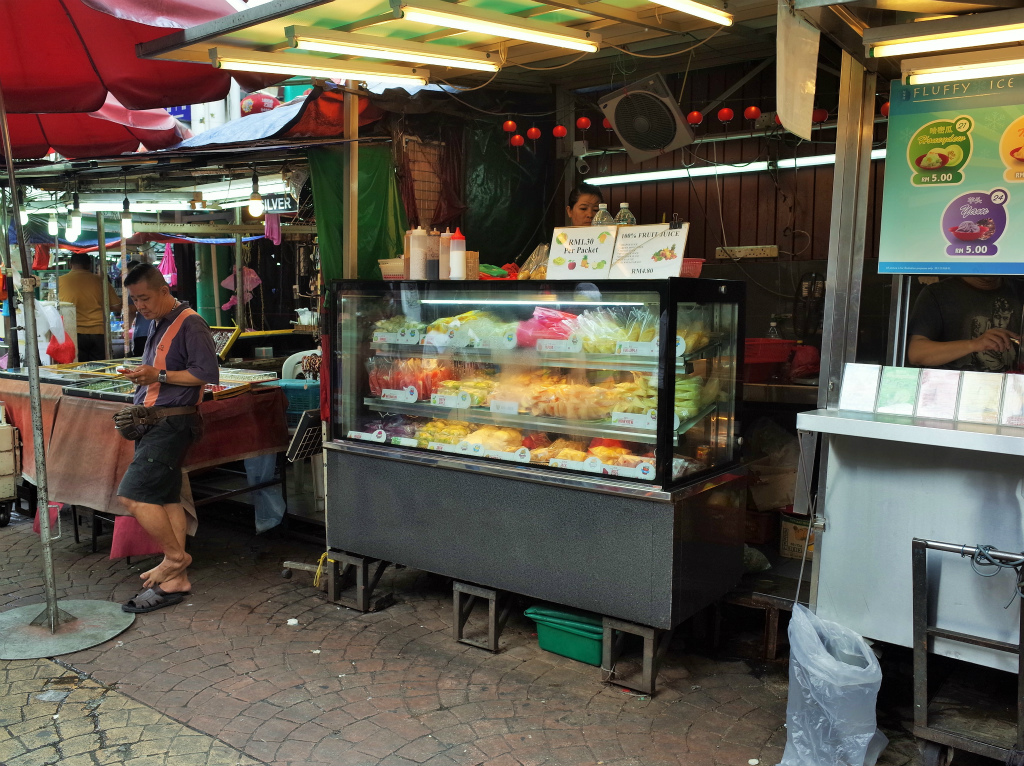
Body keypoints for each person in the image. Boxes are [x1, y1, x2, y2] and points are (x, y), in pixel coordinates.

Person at [117, 264, 219, 613]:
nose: (140, 306)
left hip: (172, 425)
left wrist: (157, 374)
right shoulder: (158, 321)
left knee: (134, 496)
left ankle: (175, 559)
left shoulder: (191, 322)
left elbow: (206, 373)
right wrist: (144, 376)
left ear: (164, 290)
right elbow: (164, 373)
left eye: (144, 298)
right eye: (134, 300)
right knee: (167, 497)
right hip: (155, 422)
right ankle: (177, 580)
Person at [907, 275, 1022, 372]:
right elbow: (916, 353)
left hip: (1013, 391)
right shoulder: (937, 293)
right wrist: (973, 345)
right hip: (955, 391)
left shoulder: (1019, 289)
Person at [58, 252, 120, 362]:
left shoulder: (60, 281)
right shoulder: (101, 281)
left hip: (74, 332)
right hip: (99, 332)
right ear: (89, 265)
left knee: (77, 369)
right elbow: (117, 306)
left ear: (70, 264)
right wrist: (99, 305)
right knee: (99, 369)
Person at [126, 259, 153, 356]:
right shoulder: (150, 286)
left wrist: (127, 326)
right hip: (153, 331)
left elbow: (132, 310)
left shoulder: (134, 288)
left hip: (143, 333)